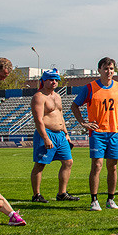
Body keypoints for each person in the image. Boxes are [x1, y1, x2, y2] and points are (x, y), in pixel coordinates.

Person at [72, 57, 118, 212]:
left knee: (113, 166)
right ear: (99, 70)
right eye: (105, 69)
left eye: (111, 69)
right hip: (97, 133)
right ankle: (94, 200)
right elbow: (75, 105)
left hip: (114, 133)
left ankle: (110, 199)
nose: (109, 72)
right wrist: (83, 122)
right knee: (97, 165)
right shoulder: (90, 88)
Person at [30, 69, 78, 204]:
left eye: (56, 80)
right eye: (51, 79)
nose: (54, 82)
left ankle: (62, 193)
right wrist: (45, 138)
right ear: (43, 81)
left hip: (60, 134)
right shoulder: (39, 97)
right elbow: (38, 119)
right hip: (47, 133)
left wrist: (66, 134)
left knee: (68, 162)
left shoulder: (57, 96)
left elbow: (61, 116)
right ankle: (36, 195)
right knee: (40, 165)